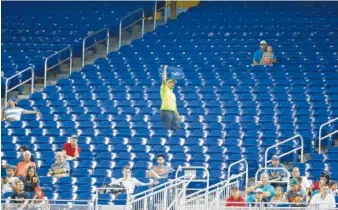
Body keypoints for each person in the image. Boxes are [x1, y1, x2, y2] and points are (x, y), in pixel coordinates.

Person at [160, 65, 181, 131]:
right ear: (167, 83)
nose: (173, 84)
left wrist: (178, 116)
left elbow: (174, 106)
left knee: (177, 129)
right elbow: (163, 80)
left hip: (172, 112)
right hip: (165, 111)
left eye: (174, 83)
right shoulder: (164, 89)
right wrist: (164, 70)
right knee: (167, 129)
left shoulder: (173, 94)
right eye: (171, 82)